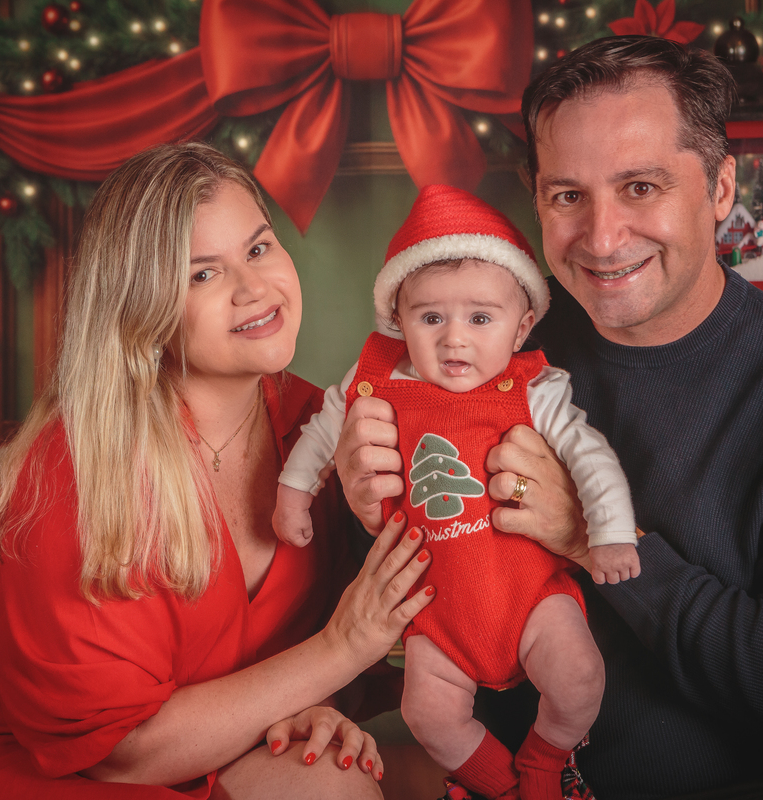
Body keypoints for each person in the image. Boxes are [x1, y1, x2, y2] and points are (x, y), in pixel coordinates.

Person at [334, 36, 763, 800]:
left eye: (641, 187)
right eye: (568, 196)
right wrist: (365, 505)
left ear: (721, 189)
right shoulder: (487, 338)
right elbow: (405, 589)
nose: (602, 240)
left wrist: (593, 536)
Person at [0, 142, 437, 800]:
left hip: (204, 742)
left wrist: (318, 702)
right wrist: (339, 649)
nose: (254, 288)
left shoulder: (320, 427)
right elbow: (118, 756)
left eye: (258, 248)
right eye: (202, 274)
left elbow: (367, 650)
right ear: (140, 308)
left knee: (333, 777)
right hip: (17, 762)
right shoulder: (75, 472)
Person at [273, 185, 637, 800]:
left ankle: (546, 759)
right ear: (398, 320)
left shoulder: (534, 388)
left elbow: (590, 454)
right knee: (428, 715)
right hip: (437, 612)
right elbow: (322, 431)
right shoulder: (378, 380)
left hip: (531, 597)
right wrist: (293, 491)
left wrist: (609, 531)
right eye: (431, 318)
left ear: (522, 327)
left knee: (579, 679)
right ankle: (500, 784)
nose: (454, 340)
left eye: (480, 318)